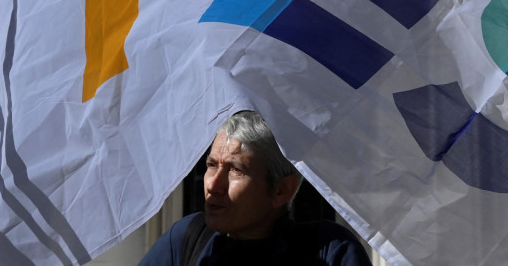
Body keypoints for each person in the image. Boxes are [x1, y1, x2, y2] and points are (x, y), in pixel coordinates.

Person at [139, 110, 373, 265]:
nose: (213, 185)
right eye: (211, 165)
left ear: (282, 190)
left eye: (235, 170)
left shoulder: (330, 251)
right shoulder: (187, 238)